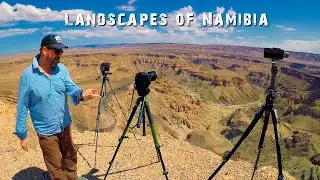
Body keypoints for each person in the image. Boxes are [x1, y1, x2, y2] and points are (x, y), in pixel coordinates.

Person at [15, 34, 100, 180]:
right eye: (57, 51)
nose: (60, 55)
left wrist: (82, 95)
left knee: (70, 157)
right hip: (46, 131)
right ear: (44, 50)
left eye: (61, 51)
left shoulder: (61, 69)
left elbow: (71, 88)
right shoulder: (27, 76)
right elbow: (22, 107)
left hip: (65, 125)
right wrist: (22, 134)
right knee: (55, 167)